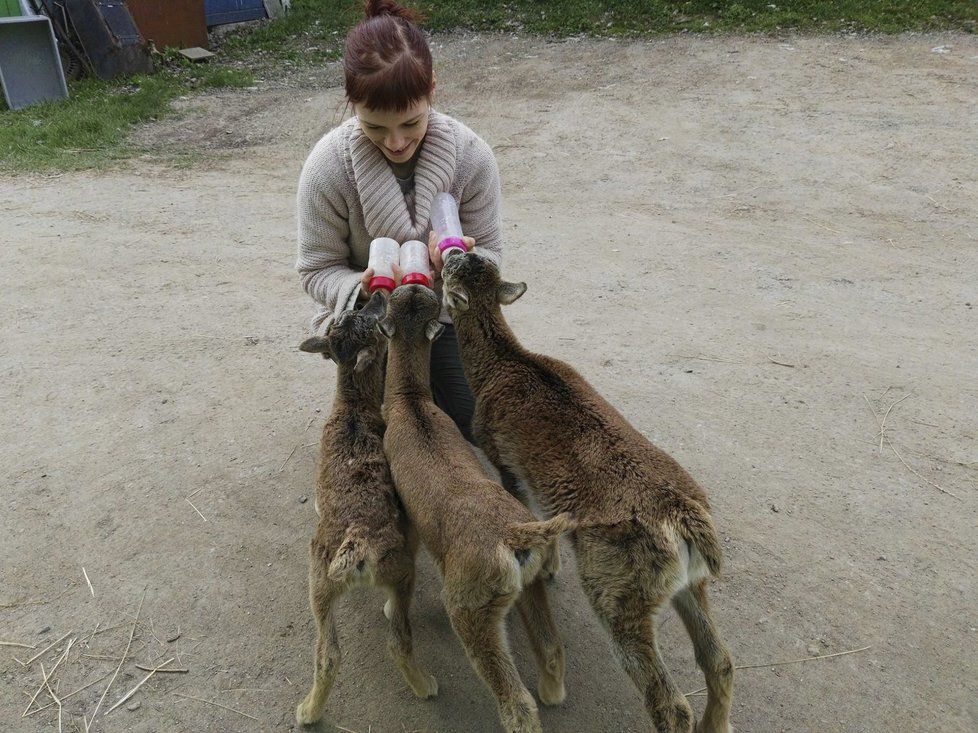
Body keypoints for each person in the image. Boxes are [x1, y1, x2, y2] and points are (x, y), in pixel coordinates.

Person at [295, 0, 501, 443]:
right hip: (372, 323)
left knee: (480, 429)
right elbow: (316, 269)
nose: (396, 142)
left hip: (443, 318)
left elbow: (492, 254)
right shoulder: (327, 168)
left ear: (432, 89)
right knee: (393, 444)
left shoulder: (472, 157)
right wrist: (360, 288)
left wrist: (462, 264)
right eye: (374, 127)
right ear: (352, 106)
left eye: (411, 122)